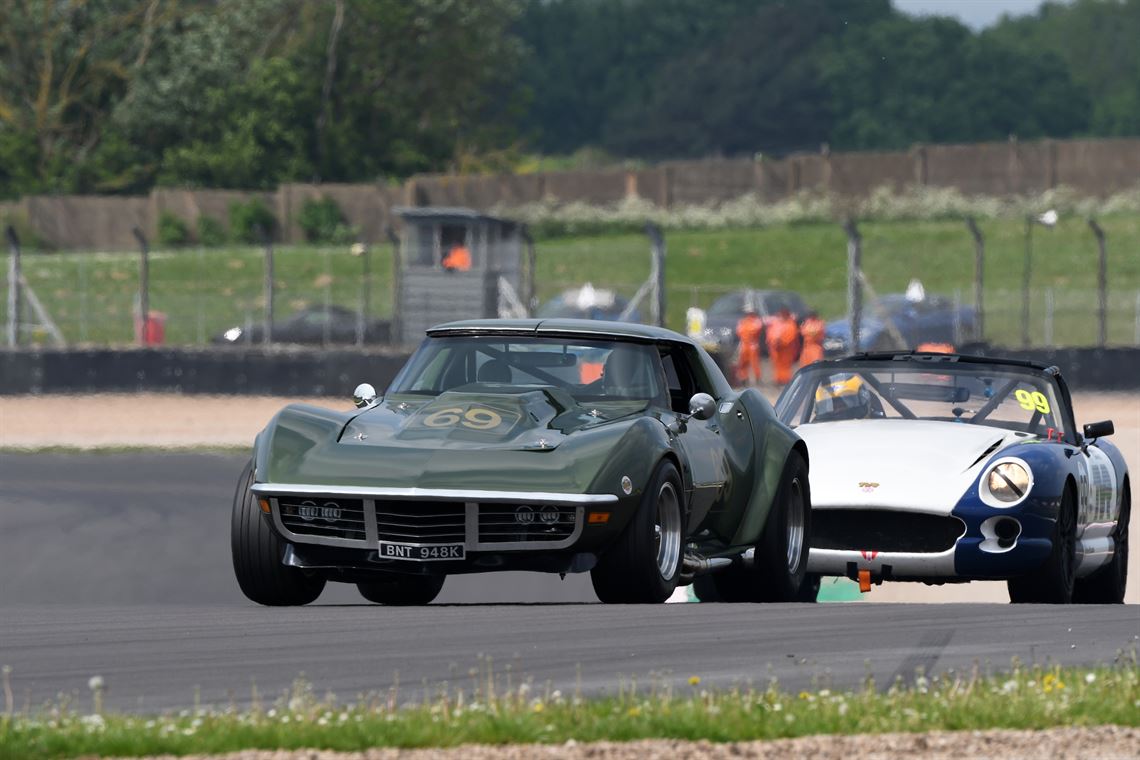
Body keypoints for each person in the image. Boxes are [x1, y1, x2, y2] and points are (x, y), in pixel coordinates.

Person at [813, 374, 882, 422]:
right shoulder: (815, 433)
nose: (838, 411)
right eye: (834, 407)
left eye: (843, 405)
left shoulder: (877, 428)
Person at [766, 307, 800, 385]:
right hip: (775, 348)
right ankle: (778, 379)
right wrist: (773, 342)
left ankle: (785, 380)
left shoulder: (791, 324)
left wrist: (781, 342)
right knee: (777, 364)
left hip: (786, 349)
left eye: (784, 314)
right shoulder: (775, 323)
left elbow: (791, 336)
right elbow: (770, 334)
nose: (782, 316)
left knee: (785, 365)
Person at [734, 304, 764, 386]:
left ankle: (758, 378)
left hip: (753, 345)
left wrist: (747, 332)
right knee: (743, 362)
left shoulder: (757, 321)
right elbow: (739, 331)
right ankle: (744, 378)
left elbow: (755, 330)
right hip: (744, 344)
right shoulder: (743, 321)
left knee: (755, 362)